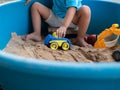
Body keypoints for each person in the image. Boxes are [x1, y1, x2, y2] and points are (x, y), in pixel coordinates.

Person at [23, 0, 92, 47]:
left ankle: (80, 38)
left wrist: (64, 26)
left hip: (71, 20)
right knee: (35, 6)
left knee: (86, 10)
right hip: (55, 17)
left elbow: (72, 9)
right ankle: (36, 34)